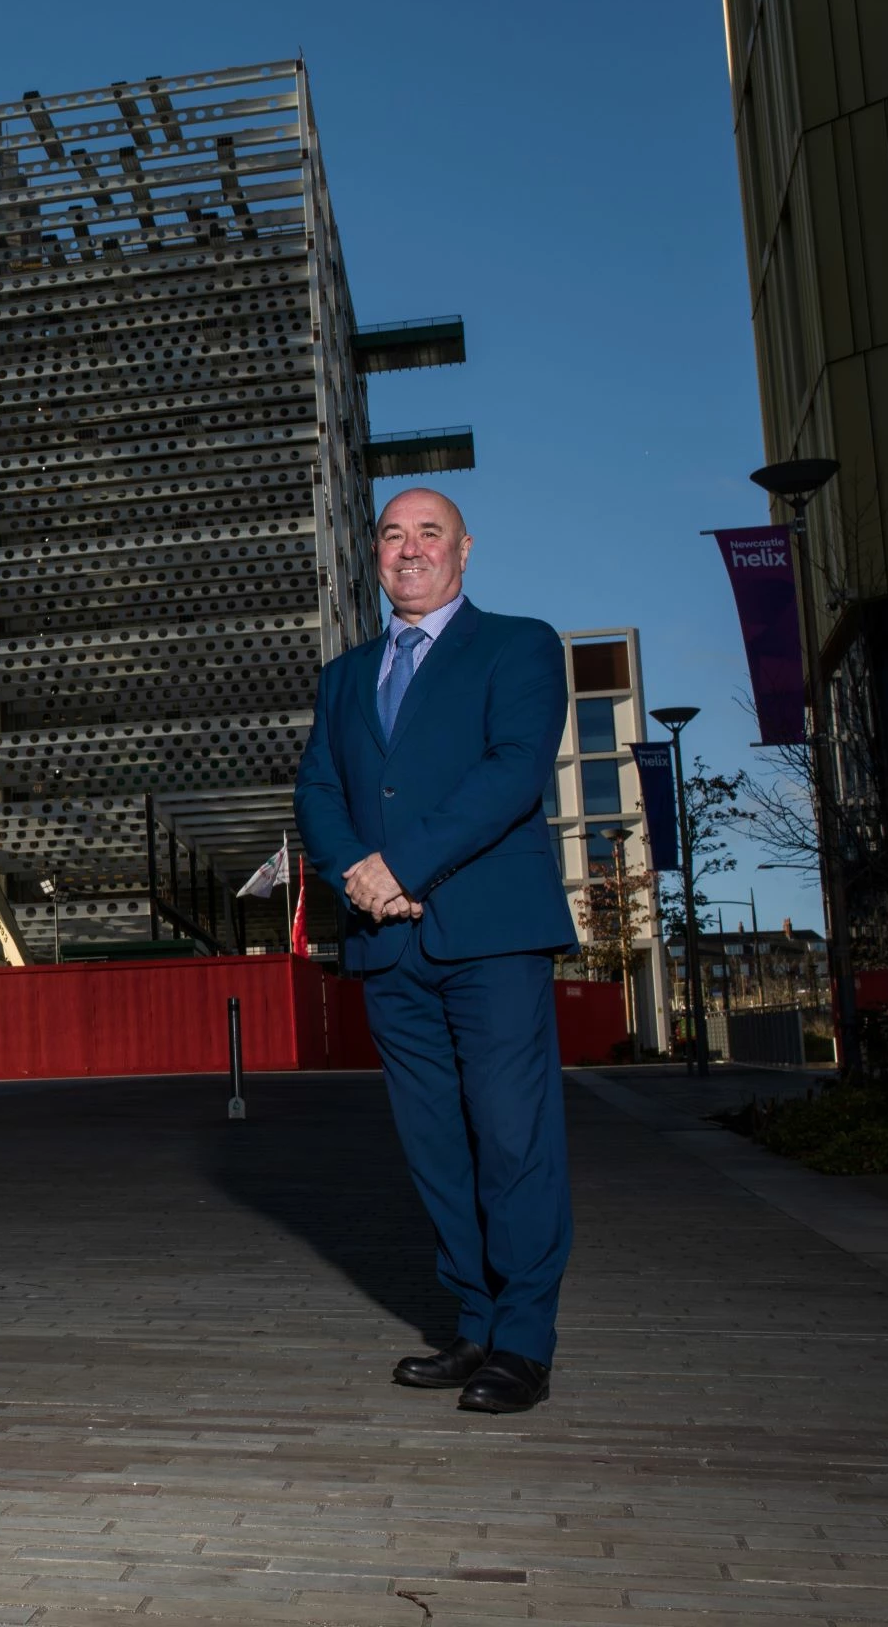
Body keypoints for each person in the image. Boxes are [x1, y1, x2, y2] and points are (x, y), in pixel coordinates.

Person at [292, 487, 578, 1415]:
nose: (408, 549)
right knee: (434, 1148)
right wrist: (358, 879)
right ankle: (476, 1322)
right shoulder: (344, 676)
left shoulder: (520, 645)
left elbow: (512, 773)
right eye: (391, 535)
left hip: (489, 937)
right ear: (374, 555)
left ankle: (524, 1342)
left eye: (429, 533)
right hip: (388, 946)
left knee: (511, 1135)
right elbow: (318, 793)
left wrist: (400, 865)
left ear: (464, 550)